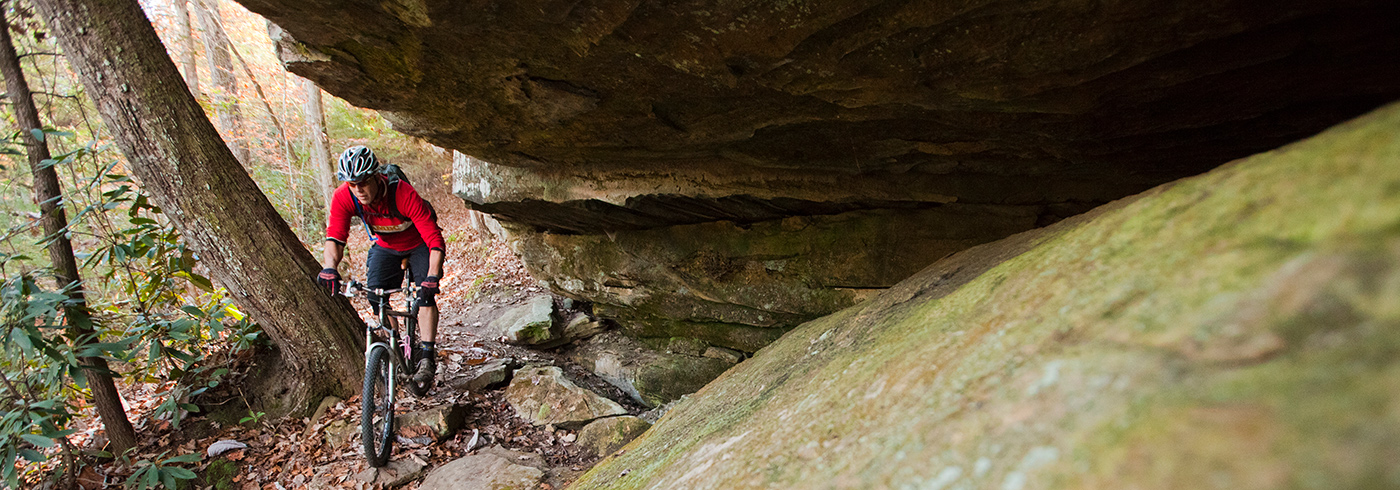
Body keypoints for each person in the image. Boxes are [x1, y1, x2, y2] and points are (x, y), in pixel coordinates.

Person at [316, 145, 445, 384]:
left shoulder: (401, 193)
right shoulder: (344, 196)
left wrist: (432, 276)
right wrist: (329, 268)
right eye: (352, 184)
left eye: (363, 182)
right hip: (386, 246)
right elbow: (335, 237)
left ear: (376, 176)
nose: (358, 190)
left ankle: (427, 356)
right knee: (376, 297)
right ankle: (396, 346)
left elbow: (434, 238)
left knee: (425, 296)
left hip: (419, 243)